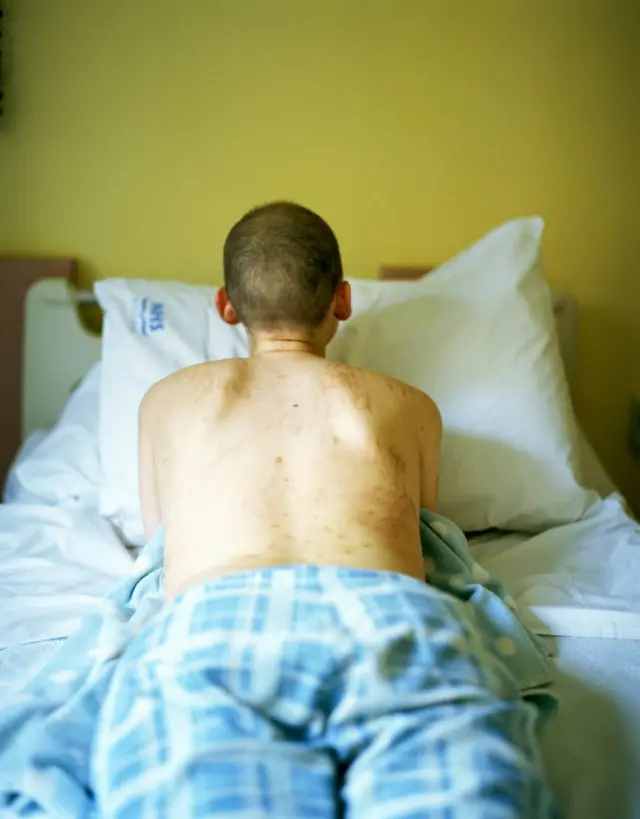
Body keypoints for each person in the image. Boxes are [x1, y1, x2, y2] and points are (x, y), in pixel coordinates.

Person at [94, 202, 556, 818]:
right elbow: (425, 529)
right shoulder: (411, 406)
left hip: (216, 624)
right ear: (342, 299)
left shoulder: (167, 401)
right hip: (390, 617)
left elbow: (161, 543)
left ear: (225, 307)